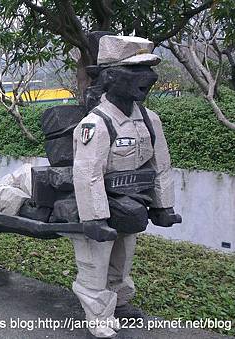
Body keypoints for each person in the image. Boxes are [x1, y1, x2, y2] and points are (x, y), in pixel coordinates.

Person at [70, 35, 181, 338]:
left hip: (132, 203)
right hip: (103, 205)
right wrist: (94, 217)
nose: (148, 78)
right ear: (110, 77)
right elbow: (87, 173)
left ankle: (118, 301)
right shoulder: (97, 123)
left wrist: (163, 206)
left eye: (148, 69)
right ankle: (97, 315)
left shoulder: (149, 119)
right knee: (96, 263)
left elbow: (160, 165)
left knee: (123, 258)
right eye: (136, 70)